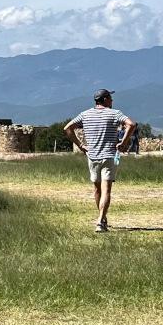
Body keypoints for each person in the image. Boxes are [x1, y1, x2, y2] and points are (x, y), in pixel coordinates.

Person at [63, 89, 136, 232]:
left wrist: (81, 145)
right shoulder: (115, 114)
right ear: (105, 99)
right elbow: (131, 124)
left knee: (97, 189)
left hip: (92, 156)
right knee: (106, 189)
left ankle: (102, 218)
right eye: (110, 98)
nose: (112, 101)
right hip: (108, 156)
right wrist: (123, 142)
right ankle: (100, 221)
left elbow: (67, 128)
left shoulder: (85, 114)